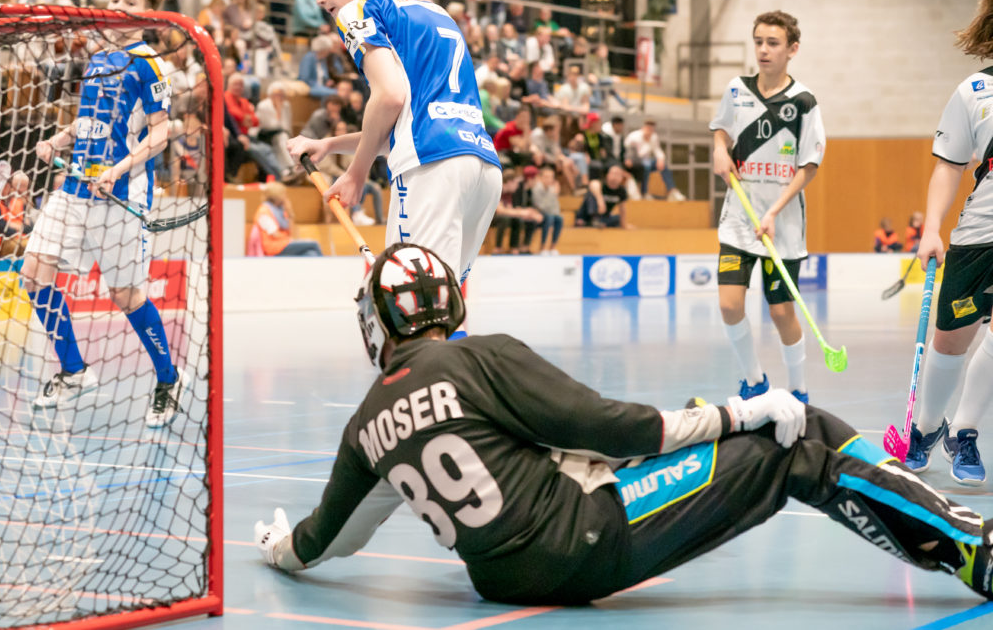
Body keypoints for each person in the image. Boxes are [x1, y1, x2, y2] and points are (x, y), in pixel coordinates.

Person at [251, 243, 993, 607]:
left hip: (500, 578)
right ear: (452, 306)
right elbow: (609, 427)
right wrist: (738, 411)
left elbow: (326, 539)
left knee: (733, 429)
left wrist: (277, 546)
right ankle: (972, 546)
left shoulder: (366, 423)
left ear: (375, 327)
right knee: (800, 437)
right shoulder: (477, 358)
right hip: (585, 536)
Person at [287, 0, 501, 287]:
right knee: (446, 301)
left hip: (433, 168)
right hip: (481, 166)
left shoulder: (358, 10)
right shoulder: (434, 11)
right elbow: (409, 123)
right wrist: (328, 145)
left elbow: (389, 96)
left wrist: (356, 173)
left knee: (412, 302)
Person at [22, 0, 184, 426]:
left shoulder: (148, 63)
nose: (117, 8)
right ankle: (74, 370)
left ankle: (167, 378)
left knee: (127, 295)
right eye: (114, 0)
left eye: (129, 3)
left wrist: (116, 171)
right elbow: (90, 120)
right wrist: (60, 139)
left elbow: (160, 132)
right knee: (34, 273)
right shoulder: (97, 58)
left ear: (147, 14)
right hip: (74, 186)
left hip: (121, 194)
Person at [711, 10, 826, 405]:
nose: (763, 49)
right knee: (728, 304)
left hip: (783, 224)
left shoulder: (805, 101)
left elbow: (809, 166)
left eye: (773, 43)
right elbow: (720, 129)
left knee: (780, 313)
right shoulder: (736, 89)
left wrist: (774, 211)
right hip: (739, 219)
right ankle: (754, 380)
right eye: (758, 41)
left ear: (792, 49)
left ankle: (798, 389)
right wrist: (718, 150)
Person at [904, 0, 993, 485]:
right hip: (980, 231)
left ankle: (965, 431)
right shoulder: (974, 92)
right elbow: (949, 166)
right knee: (950, 340)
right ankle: (927, 426)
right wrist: (931, 229)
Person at [252, 182, 322, 256]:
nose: (285, 197)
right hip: (273, 248)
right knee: (314, 244)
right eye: (283, 194)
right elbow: (275, 234)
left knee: (311, 254)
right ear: (276, 195)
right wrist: (289, 240)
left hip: (284, 244)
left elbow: (290, 232)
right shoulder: (264, 211)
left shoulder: (281, 210)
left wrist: (289, 212)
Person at [624, 118, 686, 201]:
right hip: (635, 162)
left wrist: (661, 159)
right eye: (648, 128)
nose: (649, 130)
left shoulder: (654, 137)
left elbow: (657, 150)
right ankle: (644, 192)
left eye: (651, 128)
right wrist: (629, 159)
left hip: (646, 162)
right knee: (647, 165)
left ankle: (672, 191)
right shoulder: (634, 136)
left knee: (663, 166)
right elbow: (627, 152)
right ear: (643, 127)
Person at [0, 170, 32, 257]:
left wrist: (16, 227)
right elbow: (0, 226)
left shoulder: (14, 202)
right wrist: (17, 229)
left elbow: (29, 227)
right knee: (25, 245)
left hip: (15, 240)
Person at [575, 162, 630, 228]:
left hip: (603, 218)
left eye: (618, 174)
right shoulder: (601, 184)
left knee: (618, 218)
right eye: (613, 173)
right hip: (587, 215)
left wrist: (625, 226)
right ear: (607, 175)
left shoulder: (621, 191)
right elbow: (593, 183)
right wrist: (600, 200)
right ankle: (589, 221)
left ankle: (595, 223)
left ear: (621, 177)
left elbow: (622, 210)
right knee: (592, 194)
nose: (615, 176)